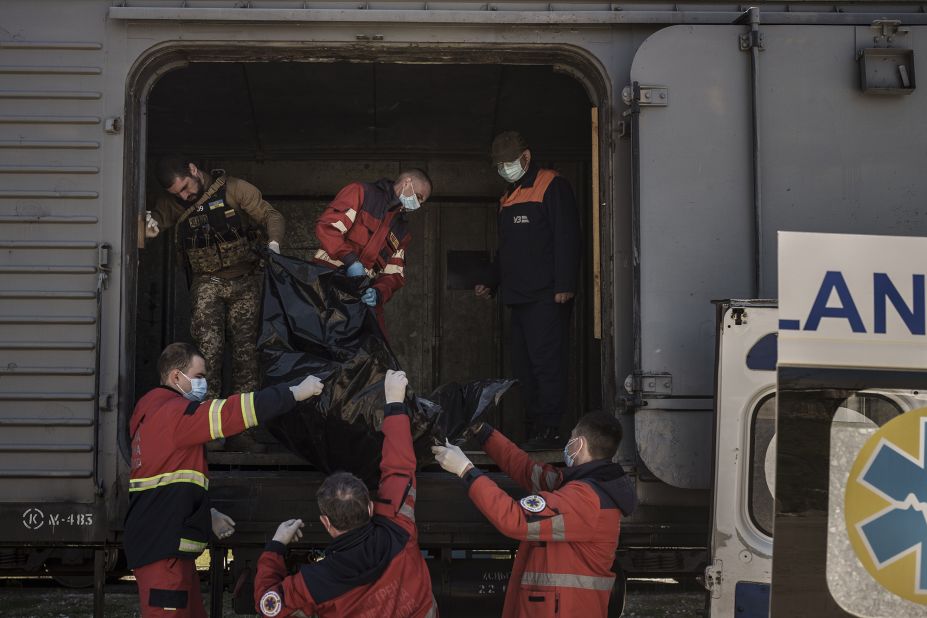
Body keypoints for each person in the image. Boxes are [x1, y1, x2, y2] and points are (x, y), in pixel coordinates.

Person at [124, 342, 324, 617]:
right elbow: (231, 413)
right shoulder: (173, 414)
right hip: (164, 554)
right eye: (199, 376)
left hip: (167, 549)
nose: (204, 383)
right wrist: (291, 394)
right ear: (175, 377)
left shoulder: (153, 414)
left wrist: (206, 515)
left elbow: (168, 488)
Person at [253, 370, 438, 618]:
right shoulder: (399, 530)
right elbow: (400, 466)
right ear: (371, 508)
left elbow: (268, 606)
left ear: (326, 523)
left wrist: (275, 548)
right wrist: (394, 402)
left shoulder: (314, 583)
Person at [432, 412, 635, 618]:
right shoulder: (584, 486)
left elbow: (516, 519)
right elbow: (527, 470)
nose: (568, 443)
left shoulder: (584, 498)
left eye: (571, 437)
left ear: (579, 444)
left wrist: (466, 471)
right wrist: (484, 433)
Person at [145, 156, 286, 452]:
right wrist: (150, 225)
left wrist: (273, 243)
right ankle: (209, 431)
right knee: (206, 355)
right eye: (177, 194)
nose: (184, 196)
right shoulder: (175, 203)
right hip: (206, 282)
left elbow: (271, 216)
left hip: (245, 281)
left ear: (194, 170)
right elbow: (156, 218)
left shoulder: (235, 189)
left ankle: (243, 432)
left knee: (247, 357)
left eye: (185, 187)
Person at [475, 131, 581, 450]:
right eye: (500, 164)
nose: (506, 168)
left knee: (546, 363)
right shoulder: (508, 196)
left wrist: (565, 284)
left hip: (547, 296)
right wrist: (491, 281)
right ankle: (535, 426)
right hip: (518, 298)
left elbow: (567, 236)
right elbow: (506, 251)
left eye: (510, 162)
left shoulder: (552, 185)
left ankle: (550, 428)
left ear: (526, 157)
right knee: (524, 367)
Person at [313, 170, 432, 334]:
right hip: (326, 283)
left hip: (361, 294)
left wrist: (378, 292)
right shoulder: (361, 193)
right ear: (407, 182)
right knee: (315, 339)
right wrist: (351, 261)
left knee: (373, 344)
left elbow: (394, 274)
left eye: (421, 202)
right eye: (418, 197)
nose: (417, 205)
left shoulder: (402, 231)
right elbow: (328, 227)